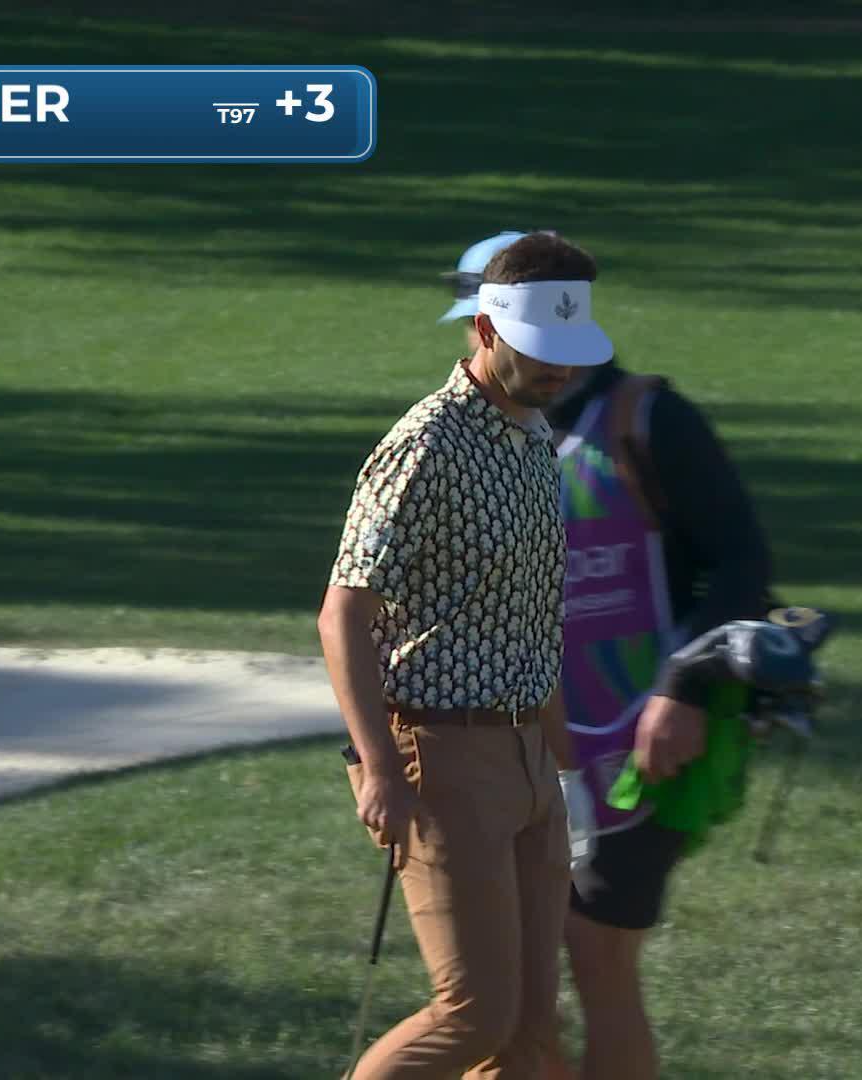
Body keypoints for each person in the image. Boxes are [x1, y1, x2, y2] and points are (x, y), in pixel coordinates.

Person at [435, 234, 775, 1080]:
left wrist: (683, 691)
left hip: (644, 738)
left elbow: (742, 565)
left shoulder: (650, 420)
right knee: (517, 975)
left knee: (595, 951)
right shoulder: (483, 436)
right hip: (521, 745)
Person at [319, 232, 614, 1079]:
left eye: (569, 350)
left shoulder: (535, 440)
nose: (560, 369)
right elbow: (343, 615)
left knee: (528, 1036)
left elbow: (531, 619)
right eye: (541, 349)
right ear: (486, 329)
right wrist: (379, 768)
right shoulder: (429, 444)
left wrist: (564, 767)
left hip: (525, 761)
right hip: (440, 758)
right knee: (475, 1015)